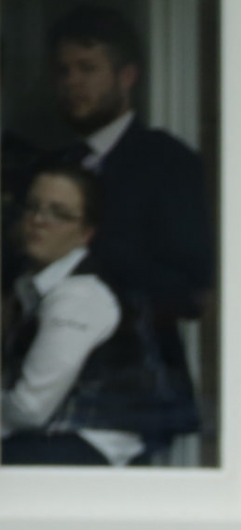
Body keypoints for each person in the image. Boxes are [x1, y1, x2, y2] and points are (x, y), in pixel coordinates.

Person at [43, 5, 212, 458]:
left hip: (129, 394)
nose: (72, 82)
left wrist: (97, 250)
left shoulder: (166, 163)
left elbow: (192, 290)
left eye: (88, 68)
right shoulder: (55, 167)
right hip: (45, 384)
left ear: (127, 76)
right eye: (64, 71)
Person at [3, 165, 145, 465]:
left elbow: (30, 409)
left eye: (58, 213)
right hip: (46, 441)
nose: (39, 221)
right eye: (33, 207)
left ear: (86, 233)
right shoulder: (34, 285)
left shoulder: (78, 295)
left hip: (86, 451)